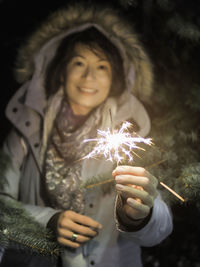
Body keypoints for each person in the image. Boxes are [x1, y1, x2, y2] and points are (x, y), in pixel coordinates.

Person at [0, 4, 173, 267]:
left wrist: (142, 216)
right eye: (79, 62)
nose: (89, 76)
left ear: (116, 76)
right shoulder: (25, 132)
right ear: (61, 70)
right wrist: (47, 222)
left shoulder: (132, 133)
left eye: (102, 66)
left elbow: (161, 229)